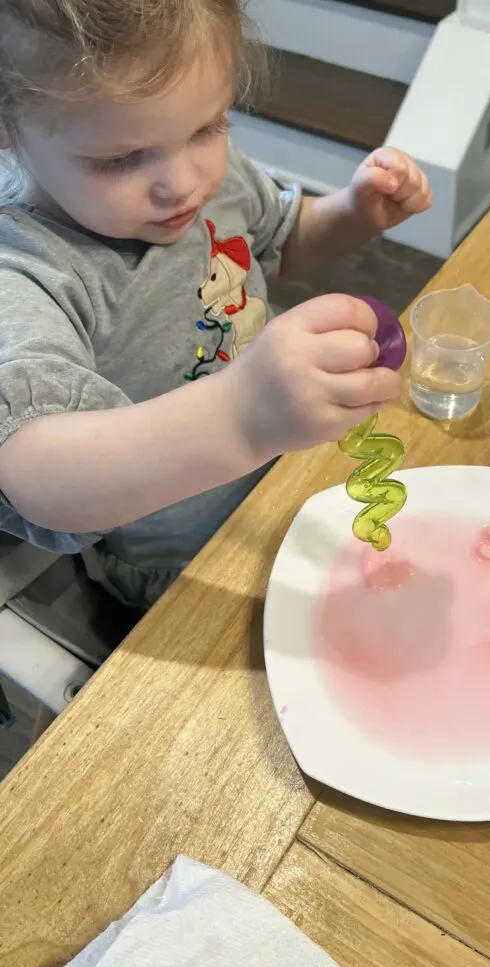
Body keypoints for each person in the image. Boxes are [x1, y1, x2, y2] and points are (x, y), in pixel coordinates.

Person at [0, 0, 431, 608]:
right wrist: (241, 415)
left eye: (208, 128)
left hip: (296, 483)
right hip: (194, 564)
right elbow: (38, 479)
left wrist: (354, 211)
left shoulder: (204, 179)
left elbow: (283, 242)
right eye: (120, 159)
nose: (183, 183)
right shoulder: (25, 270)